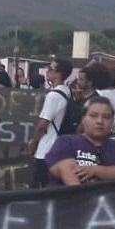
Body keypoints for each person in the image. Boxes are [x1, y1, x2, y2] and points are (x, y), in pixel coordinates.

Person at [45, 96, 115, 186]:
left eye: (106, 117)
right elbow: (68, 172)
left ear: (112, 121)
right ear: (83, 119)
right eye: (93, 116)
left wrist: (96, 170)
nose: (100, 121)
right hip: (73, 203)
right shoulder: (66, 142)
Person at [26, 58, 72, 187]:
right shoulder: (67, 91)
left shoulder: (53, 96)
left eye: (51, 69)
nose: (48, 71)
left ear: (59, 74)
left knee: (39, 186)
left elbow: (42, 125)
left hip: (46, 149)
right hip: (58, 145)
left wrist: (33, 142)